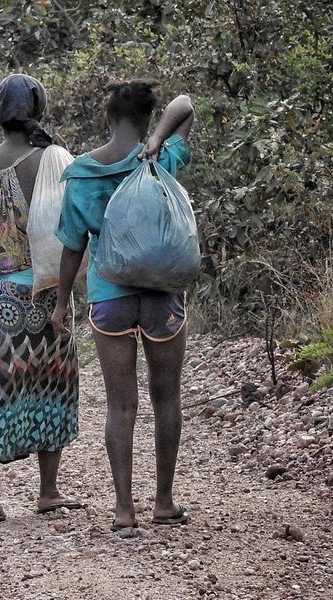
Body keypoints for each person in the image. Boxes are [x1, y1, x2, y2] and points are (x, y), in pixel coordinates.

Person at [51, 81, 195, 532]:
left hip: (109, 297)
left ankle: (123, 509)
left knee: (121, 405)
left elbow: (73, 246)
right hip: (162, 297)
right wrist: (154, 141)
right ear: (149, 120)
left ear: (106, 117)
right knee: (166, 396)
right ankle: (165, 502)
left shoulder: (81, 173)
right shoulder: (161, 158)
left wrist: (60, 304)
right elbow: (186, 106)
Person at [0, 74, 83, 523]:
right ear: (38, 111)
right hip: (48, 296)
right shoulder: (54, 160)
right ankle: (48, 490)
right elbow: (71, 230)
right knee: (51, 385)